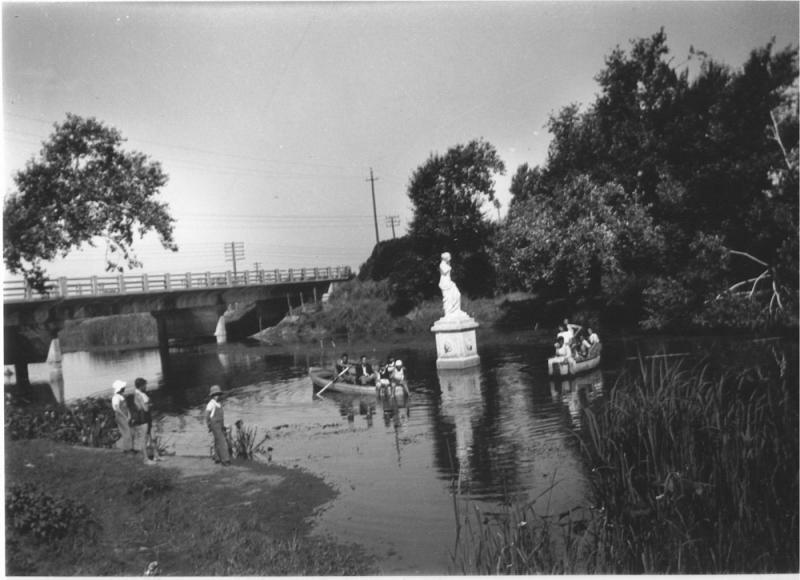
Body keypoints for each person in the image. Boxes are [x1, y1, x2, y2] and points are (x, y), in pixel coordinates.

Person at [133, 377, 160, 464]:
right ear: (141, 386)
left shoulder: (139, 393)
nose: (146, 387)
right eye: (145, 385)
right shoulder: (139, 395)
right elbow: (145, 408)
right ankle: (146, 459)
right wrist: (150, 404)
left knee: (153, 436)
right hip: (143, 418)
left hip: (147, 418)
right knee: (144, 438)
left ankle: (156, 456)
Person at [205, 385, 230, 466]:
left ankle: (217, 458)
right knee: (222, 441)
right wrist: (209, 426)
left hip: (220, 425)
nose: (217, 396)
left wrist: (223, 425)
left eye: (218, 394)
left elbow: (221, 417)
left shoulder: (219, 403)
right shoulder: (211, 404)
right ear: (212, 395)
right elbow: (207, 415)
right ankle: (225, 460)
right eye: (215, 395)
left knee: (217, 441)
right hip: (214, 425)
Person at [111, 380, 134, 453]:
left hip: (125, 416)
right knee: (127, 432)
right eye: (123, 387)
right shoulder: (115, 397)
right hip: (120, 416)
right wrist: (125, 417)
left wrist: (129, 415)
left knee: (130, 432)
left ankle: (129, 447)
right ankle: (127, 449)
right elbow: (117, 408)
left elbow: (126, 407)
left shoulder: (121, 396)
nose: (124, 388)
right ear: (120, 388)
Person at [438, 252, 463, 318]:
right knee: (448, 298)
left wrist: (448, 264)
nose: (450, 259)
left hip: (449, 282)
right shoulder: (442, 265)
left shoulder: (446, 264)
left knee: (457, 294)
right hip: (445, 283)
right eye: (449, 257)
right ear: (445, 258)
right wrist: (449, 265)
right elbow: (445, 271)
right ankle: (448, 312)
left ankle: (456, 310)